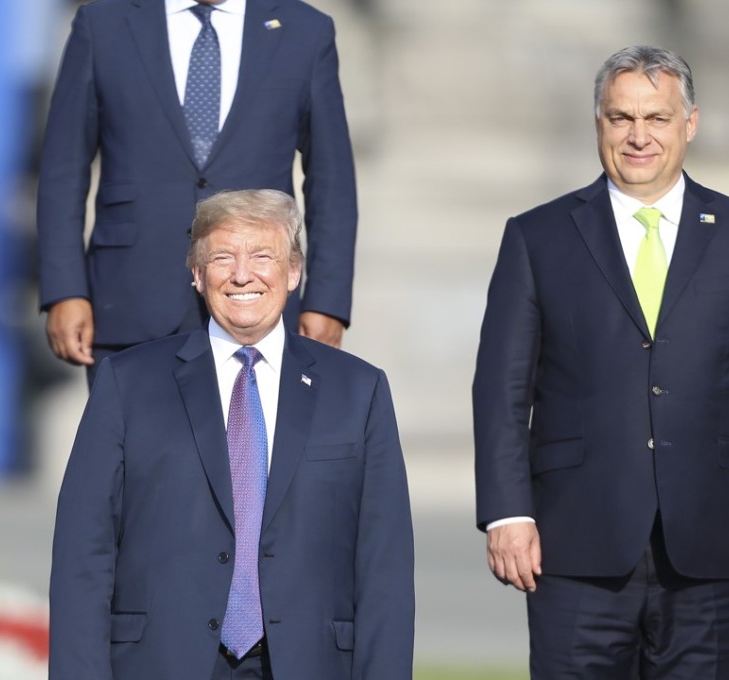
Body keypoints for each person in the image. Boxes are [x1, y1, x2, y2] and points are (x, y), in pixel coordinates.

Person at [49, 189, 413, 679]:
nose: (243, 274)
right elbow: (82, 552)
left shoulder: (359, 390)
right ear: (197, 275)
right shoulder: (128, 382)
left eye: (263, 256)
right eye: (223, 257)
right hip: (159, 662)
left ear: (293, 271)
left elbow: (384, 566)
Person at [473, 45, 729, 677]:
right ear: (599, 124)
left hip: (711, 547)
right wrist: (508, 512)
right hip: (573, 547)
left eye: (657, 118)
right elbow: (502, 388)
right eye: (620, 118)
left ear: (689, 123)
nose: (638, 136)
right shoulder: (538, 236)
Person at [37, 0, 357, 383]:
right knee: (134, 443)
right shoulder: (103, 24)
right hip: (130, 300)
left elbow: (332, 180)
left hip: (255, 302)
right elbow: (62, 170)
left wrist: (326, 302)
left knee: (246, 443)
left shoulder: (305, 30)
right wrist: (64, 291)